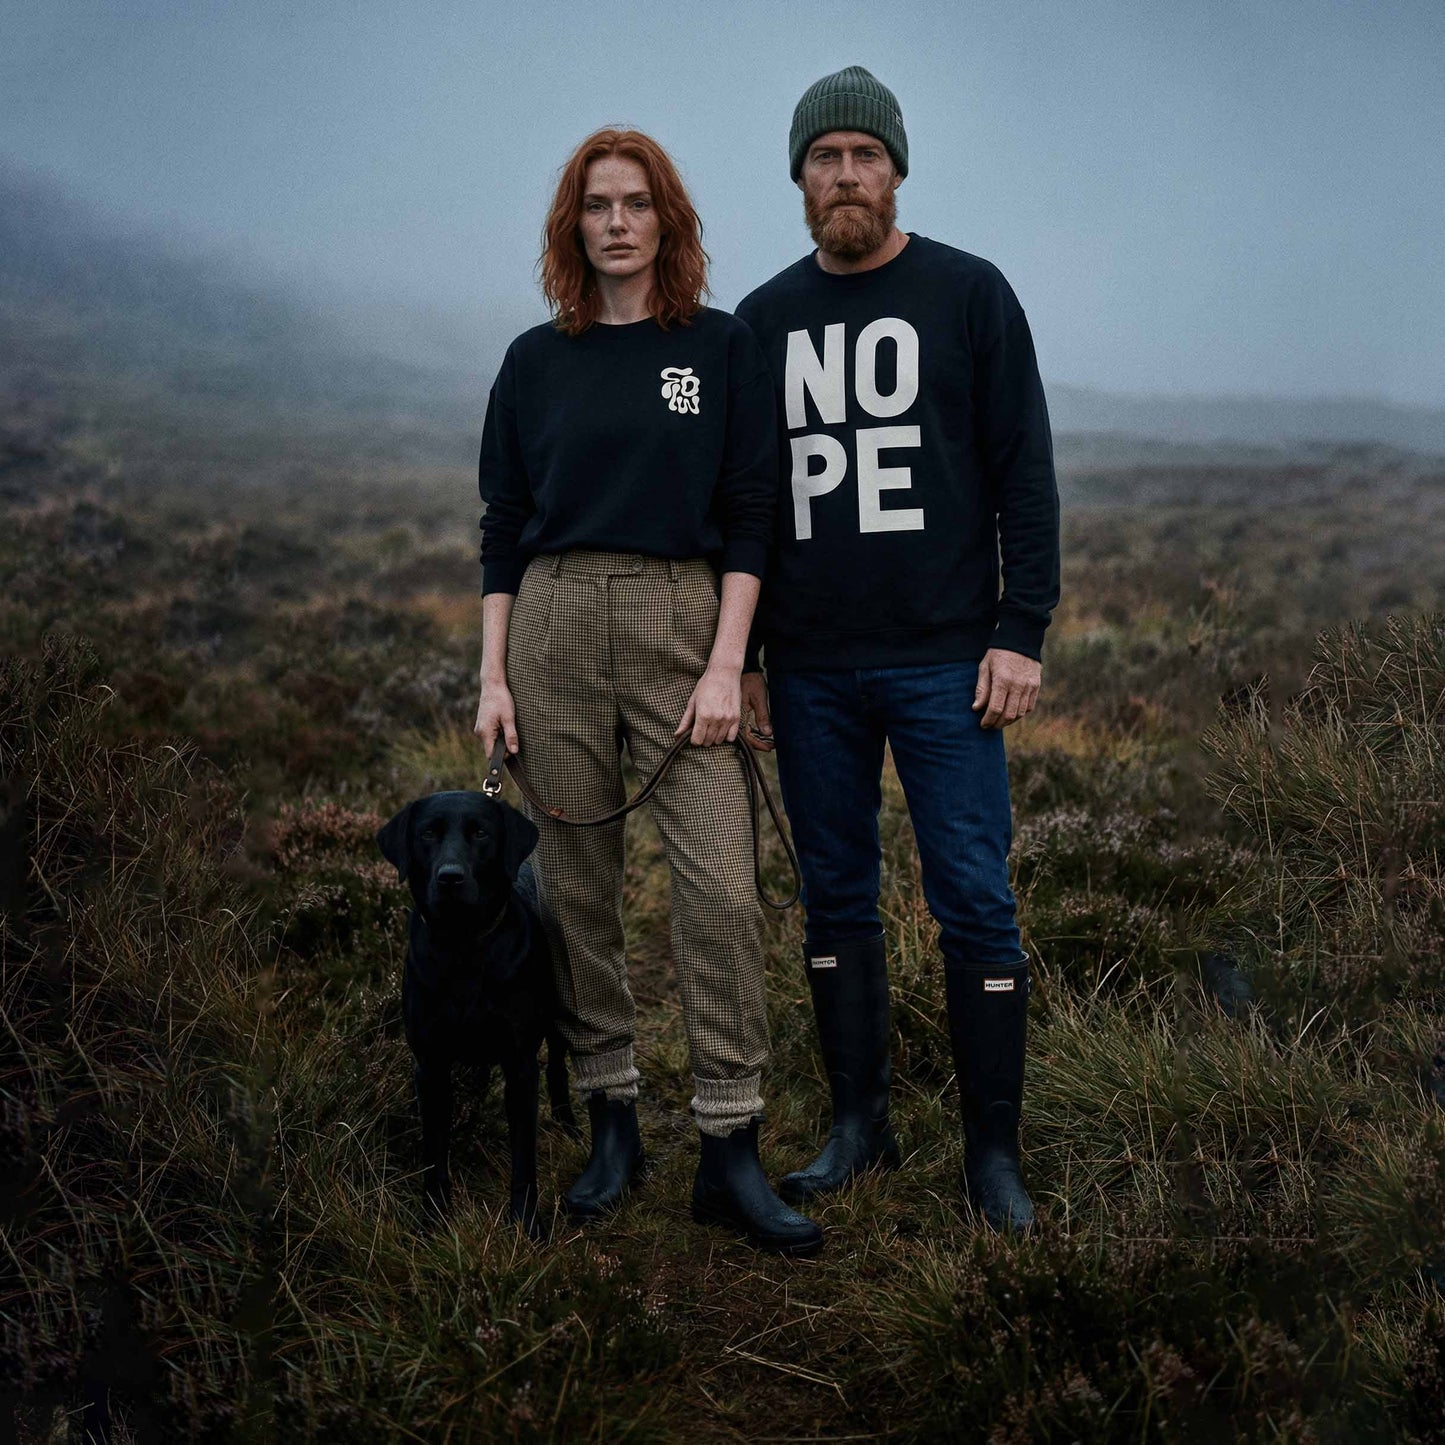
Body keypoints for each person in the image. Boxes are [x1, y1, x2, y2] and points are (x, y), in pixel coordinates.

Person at [474, 128, 821, 1256]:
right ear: (571, 226)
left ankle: (729, 1143)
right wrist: (492, 675)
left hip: (684, 620)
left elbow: (752, 512)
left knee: (719, 884)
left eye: (635, 204)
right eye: (595, 205)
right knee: (574, 881)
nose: (615, 222)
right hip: (553, 618)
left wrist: (730, 662)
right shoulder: (533, 361)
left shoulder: (717, 348)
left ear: (666, 222)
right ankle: (610, 1118)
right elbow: (499, 531)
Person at [735, 67, 1061, 1232]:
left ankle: (991, 1154)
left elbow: (1023, 469)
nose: (843, 175)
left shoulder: (969, 293)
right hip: (812, 665)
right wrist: (750, 656)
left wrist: (1018, 628)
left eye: (861, 155)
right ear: (799, 178)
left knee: (973, 900)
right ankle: (855, 1125)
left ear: (895, 168)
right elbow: (749, 503)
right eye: (822, 158)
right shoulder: (764, 319)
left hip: (945, 661)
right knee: (834, 900)